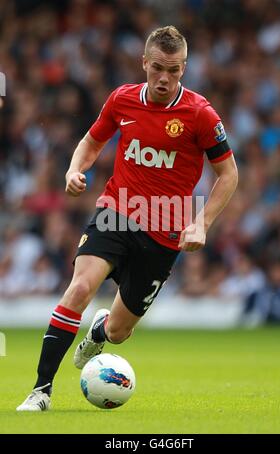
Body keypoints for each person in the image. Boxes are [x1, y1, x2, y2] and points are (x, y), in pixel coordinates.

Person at [17, 26, 238, 411]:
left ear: (184, 68)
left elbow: (229, 173)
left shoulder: (200, 114)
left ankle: (99, 331)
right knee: (80, 289)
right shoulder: (122, 99)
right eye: (157, 68)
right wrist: (74, 169)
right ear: (144, 63)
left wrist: (201, 222)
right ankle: (41, 391)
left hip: (166, 231)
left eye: (173, 70)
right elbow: (91, 140)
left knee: (119, 332)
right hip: (116, 213)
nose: (164, 78)